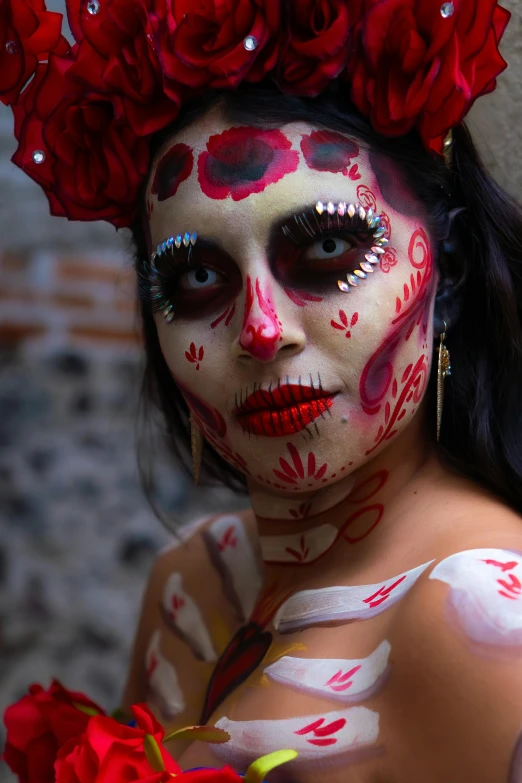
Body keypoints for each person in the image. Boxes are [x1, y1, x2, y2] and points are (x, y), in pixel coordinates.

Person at [3, 1, 522, 780]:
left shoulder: (483, 618)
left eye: (324, 246)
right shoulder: (191, 583)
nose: (261, 329)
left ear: (444, 273)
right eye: (199, 276)